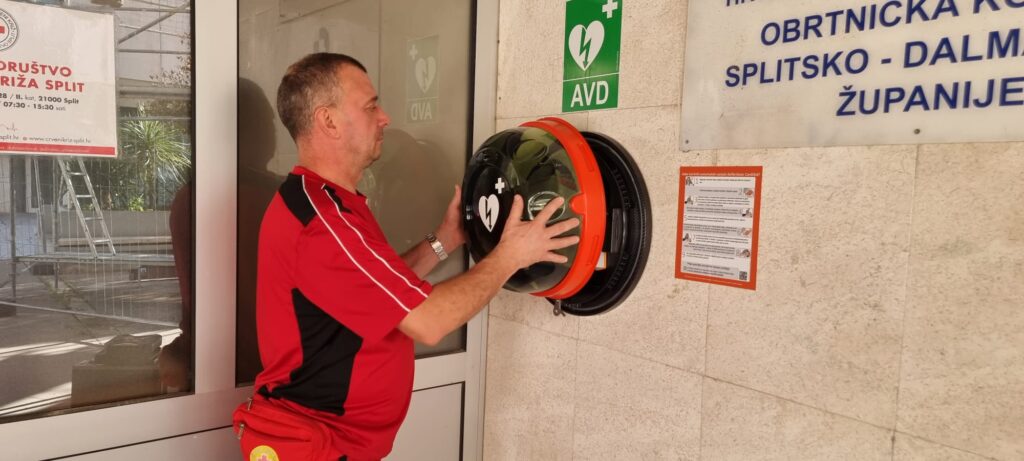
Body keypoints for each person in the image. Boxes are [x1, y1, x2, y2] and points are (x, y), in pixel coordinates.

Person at [236, 53, 579, 461]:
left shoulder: (326, 203)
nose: (385, 117)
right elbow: (428, 322)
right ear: (328, 121)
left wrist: (445, 239)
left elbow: (377, 290)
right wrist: (510, 256)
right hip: (317, 448)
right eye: (370, 106)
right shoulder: (324, 223)